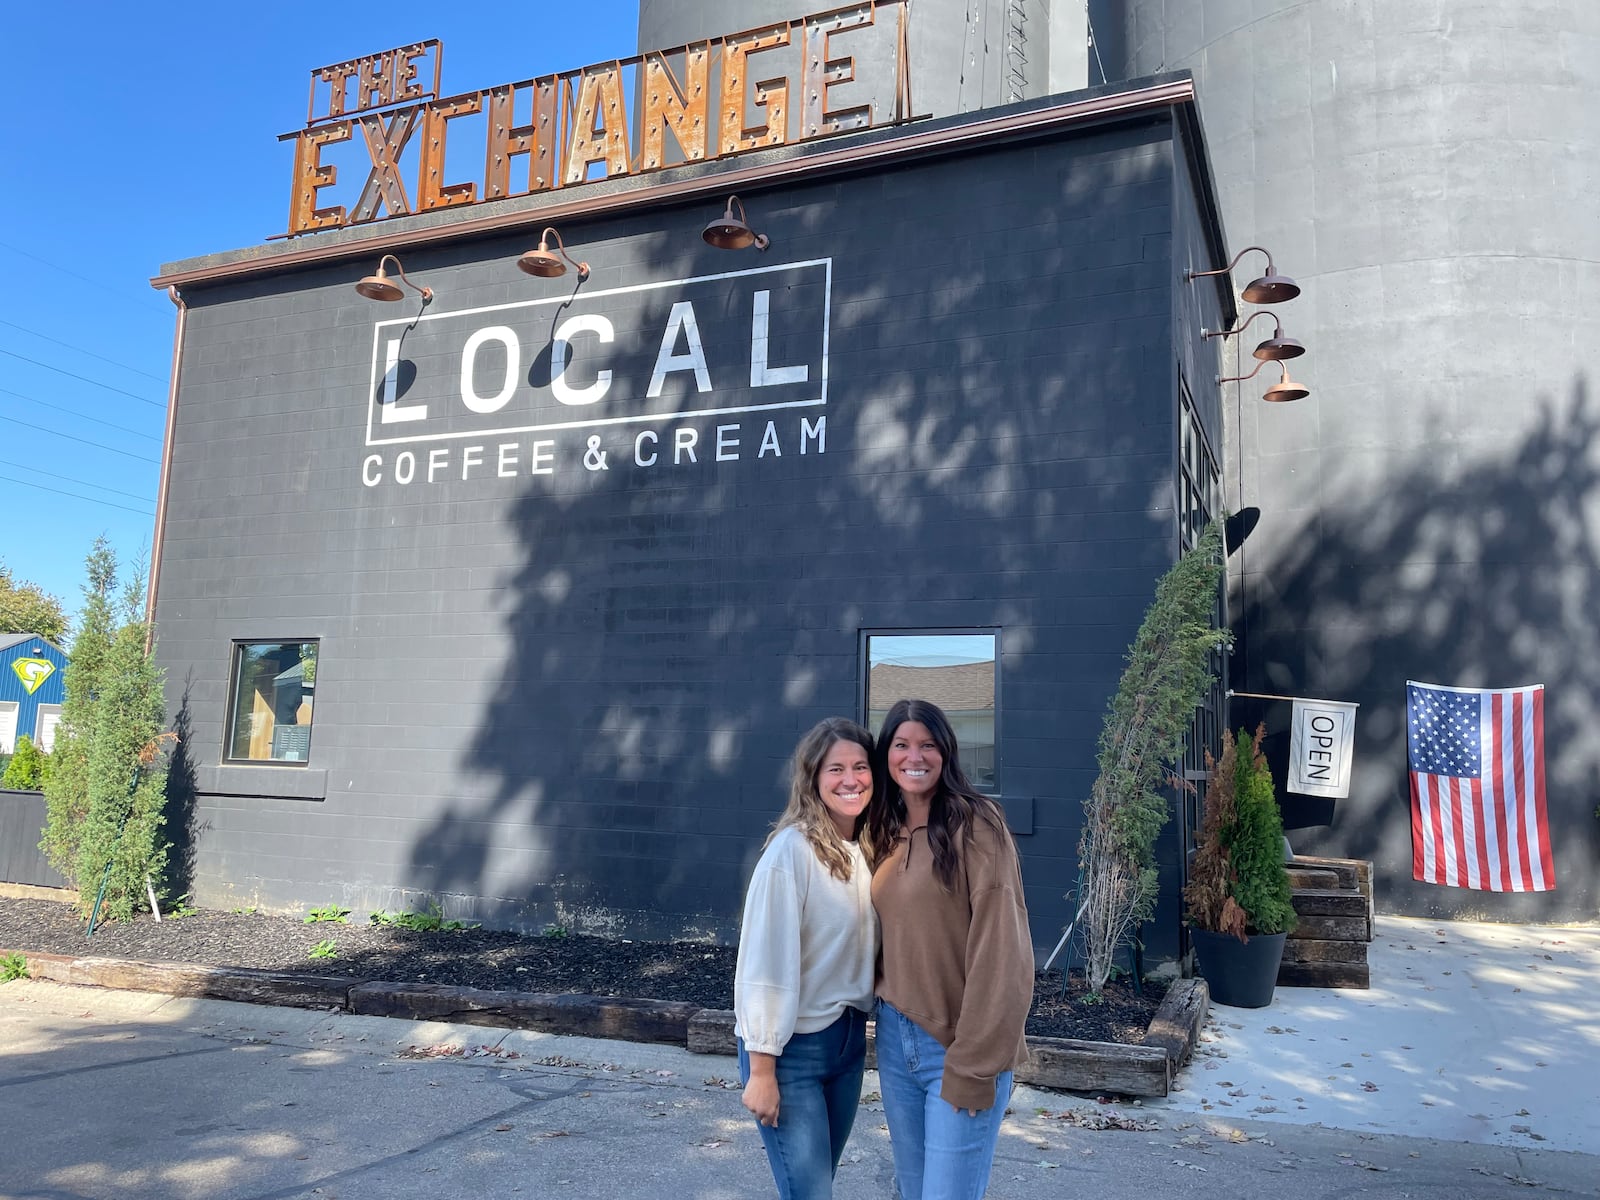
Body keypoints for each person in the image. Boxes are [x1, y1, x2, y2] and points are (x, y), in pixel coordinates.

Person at [863, 698, 1033, 1200]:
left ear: (946, 752)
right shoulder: (883, 829)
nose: (914, 756)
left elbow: (1004, 954)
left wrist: (975, 1063)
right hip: (896, 1040)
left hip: (959, 1047)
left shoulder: (978, 826)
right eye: (901, 744)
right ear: (886, 755)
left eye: (928, 744)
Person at [734, 717, 880, 1200]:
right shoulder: (791, 852)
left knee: (816, 1188)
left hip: (847, 1045)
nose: (850, 779)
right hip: (789, 1051)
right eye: (835, 768)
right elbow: (764, 965)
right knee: (811, 1193)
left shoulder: (867, 849)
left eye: (861, 767)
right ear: (813, 778)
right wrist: (761, 1071)